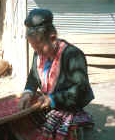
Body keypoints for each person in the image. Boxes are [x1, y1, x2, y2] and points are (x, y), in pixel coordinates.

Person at [13, 8, 95, 140]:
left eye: (40, 48)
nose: (37, 53)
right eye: (35, 49)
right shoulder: (39, 53)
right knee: (18, 123)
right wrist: (28, 93)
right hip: (49, 103)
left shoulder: (73, 55)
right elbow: (33, 76)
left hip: (69, 105)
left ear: (53, 38)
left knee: (51, 132)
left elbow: (80, 89)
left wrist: (52, 100)